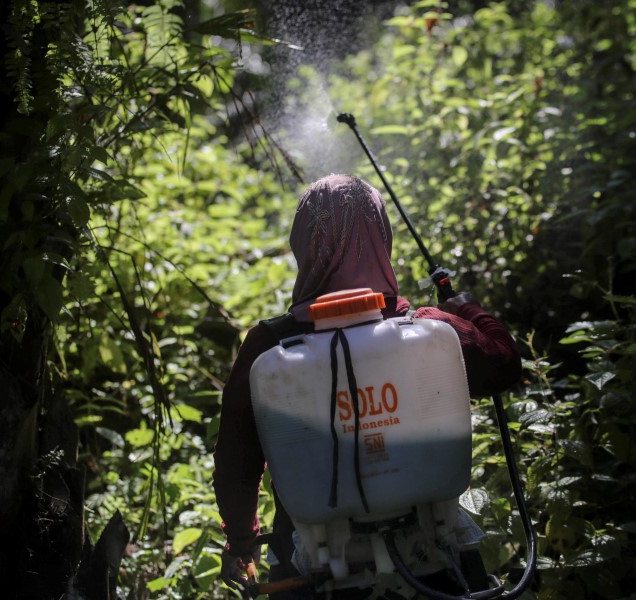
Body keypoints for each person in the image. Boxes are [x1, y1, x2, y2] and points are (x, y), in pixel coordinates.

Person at [213, 174, 522, 598]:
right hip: (435, 559)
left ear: (303, 241)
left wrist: (241, 543)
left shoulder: (268, 348)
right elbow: (505, 364)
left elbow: (237, 459)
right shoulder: (430, 329)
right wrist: (466, 308)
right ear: (382, 235)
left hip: (315, 565)